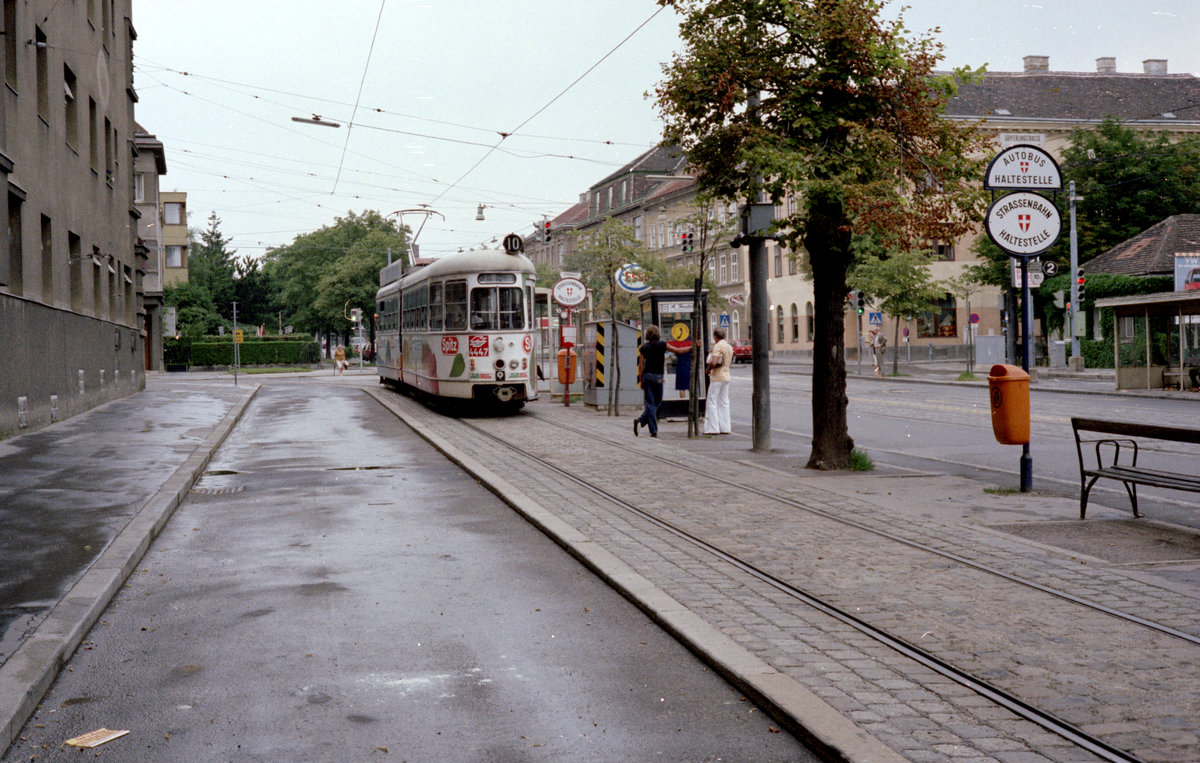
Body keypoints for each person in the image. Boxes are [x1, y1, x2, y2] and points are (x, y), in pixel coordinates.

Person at [633, 325, 681, 438]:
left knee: (650, 403)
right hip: (658, 376)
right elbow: (677, 350)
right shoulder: (662, 345)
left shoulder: (644, 347)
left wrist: (640, 380)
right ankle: (652, 430)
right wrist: (691, 347)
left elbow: (640, 365)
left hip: (647, 376)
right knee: (657, 401)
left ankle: (640, 421)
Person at [703, 328, 734, 435]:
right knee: (724, 402)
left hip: (717, 377)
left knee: (712, 401)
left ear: (715, 336)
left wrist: (708, 369)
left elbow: (714, 362)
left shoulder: (718, 346)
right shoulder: (729, 346)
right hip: (726, 376)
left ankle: (713, 428)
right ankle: (725, 427)